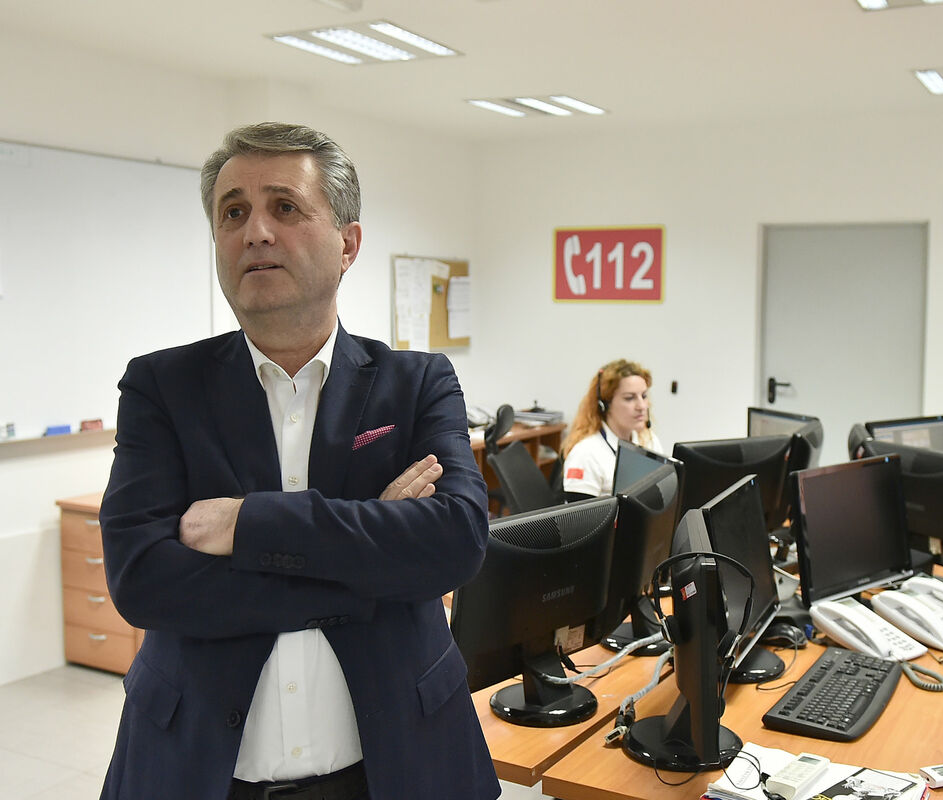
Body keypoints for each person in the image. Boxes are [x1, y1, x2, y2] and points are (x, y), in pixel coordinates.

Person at [98, 123, 500, 800]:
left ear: (348, 243)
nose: (255, 231)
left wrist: (248, 526)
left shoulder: (417, 383)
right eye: (233, 213)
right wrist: (370, 560)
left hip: (398, 768)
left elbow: (456, 540)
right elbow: (143, 582)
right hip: (201, 772)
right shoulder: (162, 388)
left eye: (284, 207)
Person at [560, 359, 662, 500]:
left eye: (644, 396)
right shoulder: (585, 453)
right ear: (604, 405)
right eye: (629, 398)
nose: (642, 406)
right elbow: (582, 513)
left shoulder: (649, 440)